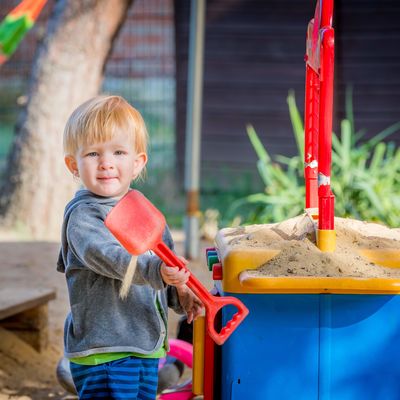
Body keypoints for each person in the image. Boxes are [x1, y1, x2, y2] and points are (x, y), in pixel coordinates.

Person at [57, 95, 203, 400]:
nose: (107, 163)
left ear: (137, 163)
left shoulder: (143, 211)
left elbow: (165, 261)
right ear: (74, 164)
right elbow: (110, 257)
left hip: (143, 345)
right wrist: (158, 271)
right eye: (94, 153)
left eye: (119, 152)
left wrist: (180, 291)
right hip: (106, 349)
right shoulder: (84, 216)